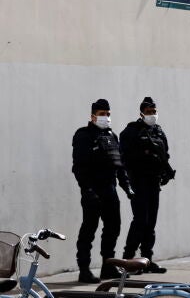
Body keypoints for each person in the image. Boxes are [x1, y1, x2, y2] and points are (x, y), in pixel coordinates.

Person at [72, 99, 135, 283]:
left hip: (110, 189)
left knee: (113, 228)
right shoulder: (83, 135)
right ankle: (84, 269)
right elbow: (79, 167)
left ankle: (108, 266)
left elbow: (119, 165)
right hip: (93, 190)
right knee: (88, 230)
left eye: (108, 114)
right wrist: (87, 190)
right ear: (92, 116)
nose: (105, 117)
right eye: (101, 114)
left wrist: (127, 187)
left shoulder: (112, 136)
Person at [120, 97, 175, 274]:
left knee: (150, 222)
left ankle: (147, 260)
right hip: (138, 182)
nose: (152, 115)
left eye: (154, 112)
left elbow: (164, 153)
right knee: (140, 221)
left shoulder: (158, 131)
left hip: (153, 182)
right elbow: (125, 157)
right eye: (149, 112)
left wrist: (165, 172)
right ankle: (127, 260)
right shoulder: (131, 131)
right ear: (141, 113)